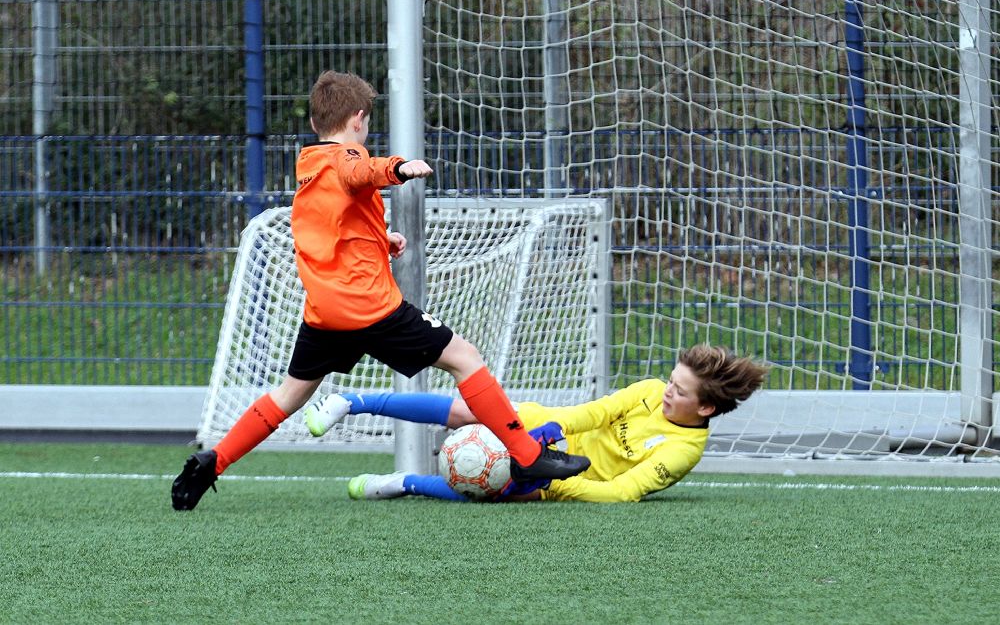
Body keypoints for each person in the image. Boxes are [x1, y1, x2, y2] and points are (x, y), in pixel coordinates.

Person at [171, 71, 590, 510]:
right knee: (465, 358)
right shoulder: (347, 156)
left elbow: (328, 227)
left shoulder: (310, 166)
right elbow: (360, 171)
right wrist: (398, 168)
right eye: (366, 123)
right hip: (370, 308)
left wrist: (379, 240)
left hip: (325, 313)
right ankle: (526, 456)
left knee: (289, 395)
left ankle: (211, 463)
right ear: (358, 119)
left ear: (314, 124)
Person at [307, 344, 768, 503]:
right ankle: (354, 401)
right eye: (671, 381)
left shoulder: (684, 452)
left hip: (564, 476)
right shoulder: (649, 389)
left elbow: (621, 492)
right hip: (552, 430)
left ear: (705, 409)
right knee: (468, 409)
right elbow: (595, 412)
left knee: (487, 486)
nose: (667, 392)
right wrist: (549, 431)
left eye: (680, 392)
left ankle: (402, 483)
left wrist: (551, 478)